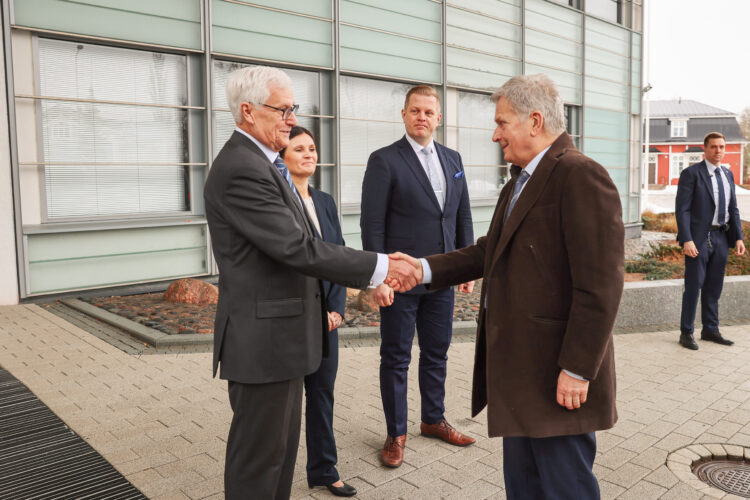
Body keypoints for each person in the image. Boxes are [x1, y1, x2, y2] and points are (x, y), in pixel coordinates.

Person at [394, 74, 624, 499]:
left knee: (564, 489)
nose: (495, 133)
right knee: (524, 489)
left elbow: (601, 286)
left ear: (534, 121)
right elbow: (488, 251)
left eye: (502, 122)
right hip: (519, 378)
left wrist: (577, 368)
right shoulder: (521, 179)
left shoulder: (580, 175)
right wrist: (422, 268)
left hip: (557, 377)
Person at [203, 66, 419, 500]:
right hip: (264, 344)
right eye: (283, 109)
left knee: (278, 460)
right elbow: (298, 248)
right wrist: (380, 267)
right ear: (247, 111)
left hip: (283, 341)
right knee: (258, 466)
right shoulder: (243, 169)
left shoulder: (263, 165)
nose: (290, 118)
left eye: (292, 109)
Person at [360, 85, 476, 468]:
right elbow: (372, 224)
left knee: (437, 352)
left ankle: (433, 419)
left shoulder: (453, 158)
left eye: (429, 111)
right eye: (415, 111)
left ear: (438, 118)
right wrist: (378, 277)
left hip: (440, 277)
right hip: (399, 280)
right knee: (395, 357)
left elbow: (460, 216)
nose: (422, 117)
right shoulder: (384, 160)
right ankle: (396, 434)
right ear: (404, 115)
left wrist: (466, 264)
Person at [279, 126, 356, 497]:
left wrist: (337, 309)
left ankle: (324, 469)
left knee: (322, 394)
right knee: (288, 404)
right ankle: (276, 477)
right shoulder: (278, 201)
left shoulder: (324, 201)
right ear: (283, 156)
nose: (309, 154)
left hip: (328, 322)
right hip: (297, 320)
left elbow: (338, 255)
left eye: (312, 148)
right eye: (299, 149)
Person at [675, 132, 745, 350]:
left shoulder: (727, 174)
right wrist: (687, 239)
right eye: (714, 147)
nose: (718, 151)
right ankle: (686, 332)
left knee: (714, 287)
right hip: (698, 239)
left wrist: (739, 237)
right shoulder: (691, 174)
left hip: (721, 237)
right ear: (704, 149)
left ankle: (710, 330)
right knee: (694, 286)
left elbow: (733, 208)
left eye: (722, 147)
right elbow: (683, 210)